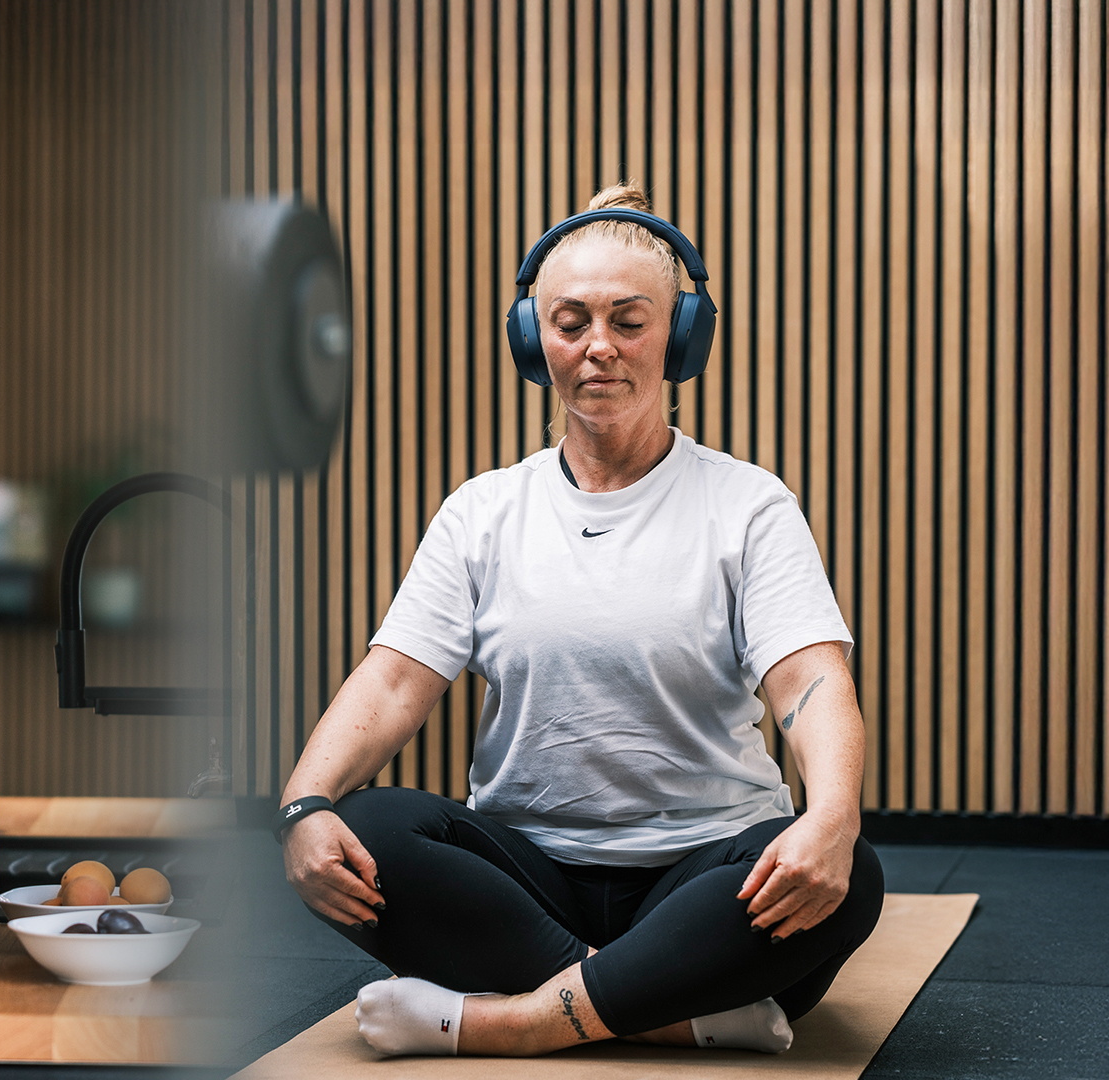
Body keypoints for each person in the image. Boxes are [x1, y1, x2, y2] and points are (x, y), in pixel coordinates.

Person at [274, 184, 883, 1058]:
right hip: (526, 880)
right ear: (534, 341)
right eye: (569, 321)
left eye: (629, 320)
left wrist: (831, 817)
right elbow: (396, 679)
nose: (598, 346)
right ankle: (670, 1004)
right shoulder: (483, 511)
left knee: (848, 872)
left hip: (703, 872)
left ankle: (506, 1023)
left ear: (680, 336)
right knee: (363, 832)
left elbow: (810, 680)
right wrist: (301, 806)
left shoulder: (750, 505)